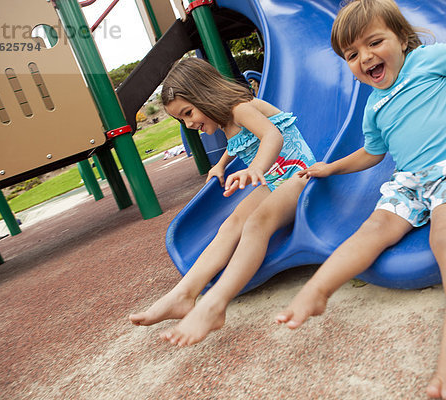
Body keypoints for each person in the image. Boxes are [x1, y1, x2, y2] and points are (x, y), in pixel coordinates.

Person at [275, 1, 446, 399]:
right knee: (372, 228)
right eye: (352, 55)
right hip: (409, 180)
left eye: (374, 42)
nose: (365, 57)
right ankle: (319, 288)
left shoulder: (425, 61)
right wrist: (331, 168)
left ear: (402, 40)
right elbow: (373, 153)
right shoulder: (373, 107)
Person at [129, 57, 316, 347]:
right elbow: (236, 144)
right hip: (275, 180)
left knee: (256, 224)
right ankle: (184, 295)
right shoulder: (226, 121)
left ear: (204, 93)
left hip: (300, 176)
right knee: (231, 224)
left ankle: (215, 305)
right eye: (182, 120)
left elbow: (271, 135)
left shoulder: (241, 108)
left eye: (188, 113)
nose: (189, 124)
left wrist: (256, 168)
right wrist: (221, 165)